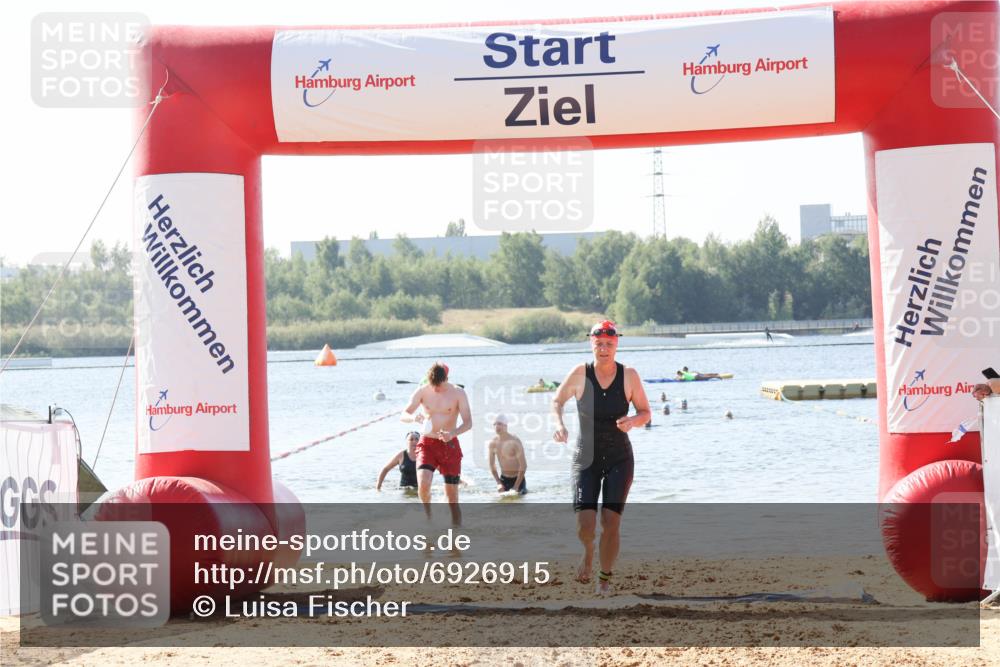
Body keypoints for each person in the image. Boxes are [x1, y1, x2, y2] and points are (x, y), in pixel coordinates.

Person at [552, 320, 651, 595]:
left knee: (610, 521)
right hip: (586, 458)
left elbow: (645, 412)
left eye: (609, 344)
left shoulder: (629, 375)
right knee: (585, 526)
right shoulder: (580, 374)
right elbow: (557, 401)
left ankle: (604, 579)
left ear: (616, 345)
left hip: (620, 457)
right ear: (591, 344)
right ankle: (588, 551)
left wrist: (633, 421)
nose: (604, 349)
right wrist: (559, 425)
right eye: (599, 344)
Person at [401, 362, 471, 524]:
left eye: (439, 386)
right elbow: (404, 414)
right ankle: (429, 518)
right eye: (433, 385)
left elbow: (468, 423)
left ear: (446, 379)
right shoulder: (422, 391)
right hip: (427, 444)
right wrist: (413, 417)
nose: (436, 389)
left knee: (452, 499)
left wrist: (452, 433)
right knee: (424, 484)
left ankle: (456, 532)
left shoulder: (458, 393)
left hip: (450, 445)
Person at [488, 414, 527, 495]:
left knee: (518, 501)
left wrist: (516, 486)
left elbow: (523, 465)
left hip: (518, 479)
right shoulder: (493, 443)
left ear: (505, 425)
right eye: (495, 424)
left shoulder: (515, 441)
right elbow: (492, 465)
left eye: (499, 424)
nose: (497, 426)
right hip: (503, 480)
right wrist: (498, 483)